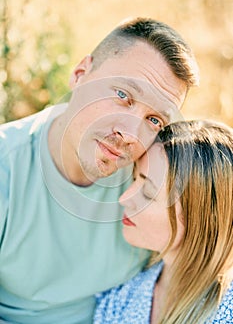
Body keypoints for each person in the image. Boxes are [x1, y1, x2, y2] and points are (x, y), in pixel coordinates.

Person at [0, 18, 199, 323]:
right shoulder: (7, 168)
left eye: (154, 120)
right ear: (80, 74)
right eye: (122, 96)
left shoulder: (151, 184)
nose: (130, 134)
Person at [94, 119, 233, 324]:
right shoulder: (120, 297)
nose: (124, 198)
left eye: (149, 193)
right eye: (135, 179)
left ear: (200, 218)